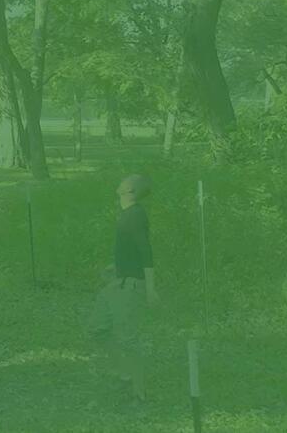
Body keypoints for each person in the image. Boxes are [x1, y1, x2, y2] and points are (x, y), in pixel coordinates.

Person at [86, 173, 158, 403]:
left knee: (128, 340)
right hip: (117, 282)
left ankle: (139, 392)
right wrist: (114, 267)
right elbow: (130, 251)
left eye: (126, 181)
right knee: (98, 329)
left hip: (130, 286)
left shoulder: (136, 215)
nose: (121, 181)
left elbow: (146, 252)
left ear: (131, 191)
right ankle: (125, 374)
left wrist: (150, 288)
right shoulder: (127, 215)